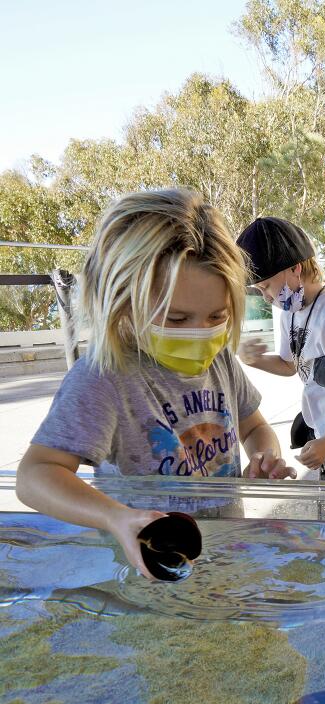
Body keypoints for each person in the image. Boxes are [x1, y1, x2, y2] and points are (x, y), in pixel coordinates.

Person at [16, 188, 295, 579]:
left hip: (225, 554)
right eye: (177, 319)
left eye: (217, 316)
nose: (201, 333)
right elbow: (35, 475)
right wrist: (115, 518)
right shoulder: (104, 376)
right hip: (148, 565)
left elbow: (255, 426)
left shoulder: (220, 360)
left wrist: (263, 457)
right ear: (123, 301)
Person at [236, 217, 325, 482]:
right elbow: (289, 365)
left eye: (266, 286)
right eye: (259, 290)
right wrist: (254, 360)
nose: (266, 297)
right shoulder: (289, 313)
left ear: (296, 268)